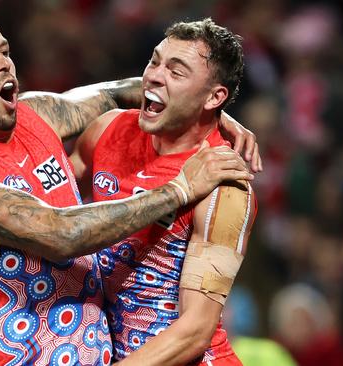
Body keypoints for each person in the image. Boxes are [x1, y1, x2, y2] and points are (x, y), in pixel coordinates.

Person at [0, 14, 258, 365]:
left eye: (5, 52)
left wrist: (205, 111)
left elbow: (112, 92)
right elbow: (61, 233)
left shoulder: (37, 117)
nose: (3, 64)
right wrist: (179, 189)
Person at [69, 19, 256, 365]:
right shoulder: (107, 130)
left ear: (215, 97)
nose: (154, 76)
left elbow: (196, 330)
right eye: (155, 61)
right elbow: (45, 206)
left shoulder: (225, 186)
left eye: (177, 71)